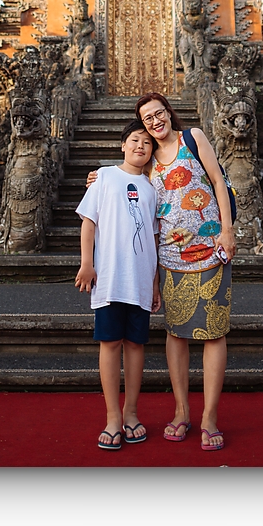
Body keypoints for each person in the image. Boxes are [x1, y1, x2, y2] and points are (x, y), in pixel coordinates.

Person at [85, 92, 236, 451]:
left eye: (159, 113)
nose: (155, 121)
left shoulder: (192, 138)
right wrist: (98, 177)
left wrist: (228, 230)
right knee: (176, 333)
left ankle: (210, 417)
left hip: (211, 248)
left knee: (214, 333)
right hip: (169, 256)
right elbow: (125, 177)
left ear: (169, 112)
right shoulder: (148, 160)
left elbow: (218, 181)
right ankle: (182, 411)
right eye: (147, 118)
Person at [75, 120, 161, 451]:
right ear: (123, 145)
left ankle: (131, 413)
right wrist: (87, 263)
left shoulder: (153, 189)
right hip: (111, 278)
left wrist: (154, 283)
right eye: (135, 140)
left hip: (140, 280)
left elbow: (155, 239)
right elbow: (89, 222)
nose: (141, 146)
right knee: (110, 344)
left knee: (136, 346)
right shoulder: (104, 177)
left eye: (147, 143)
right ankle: (112, 417)